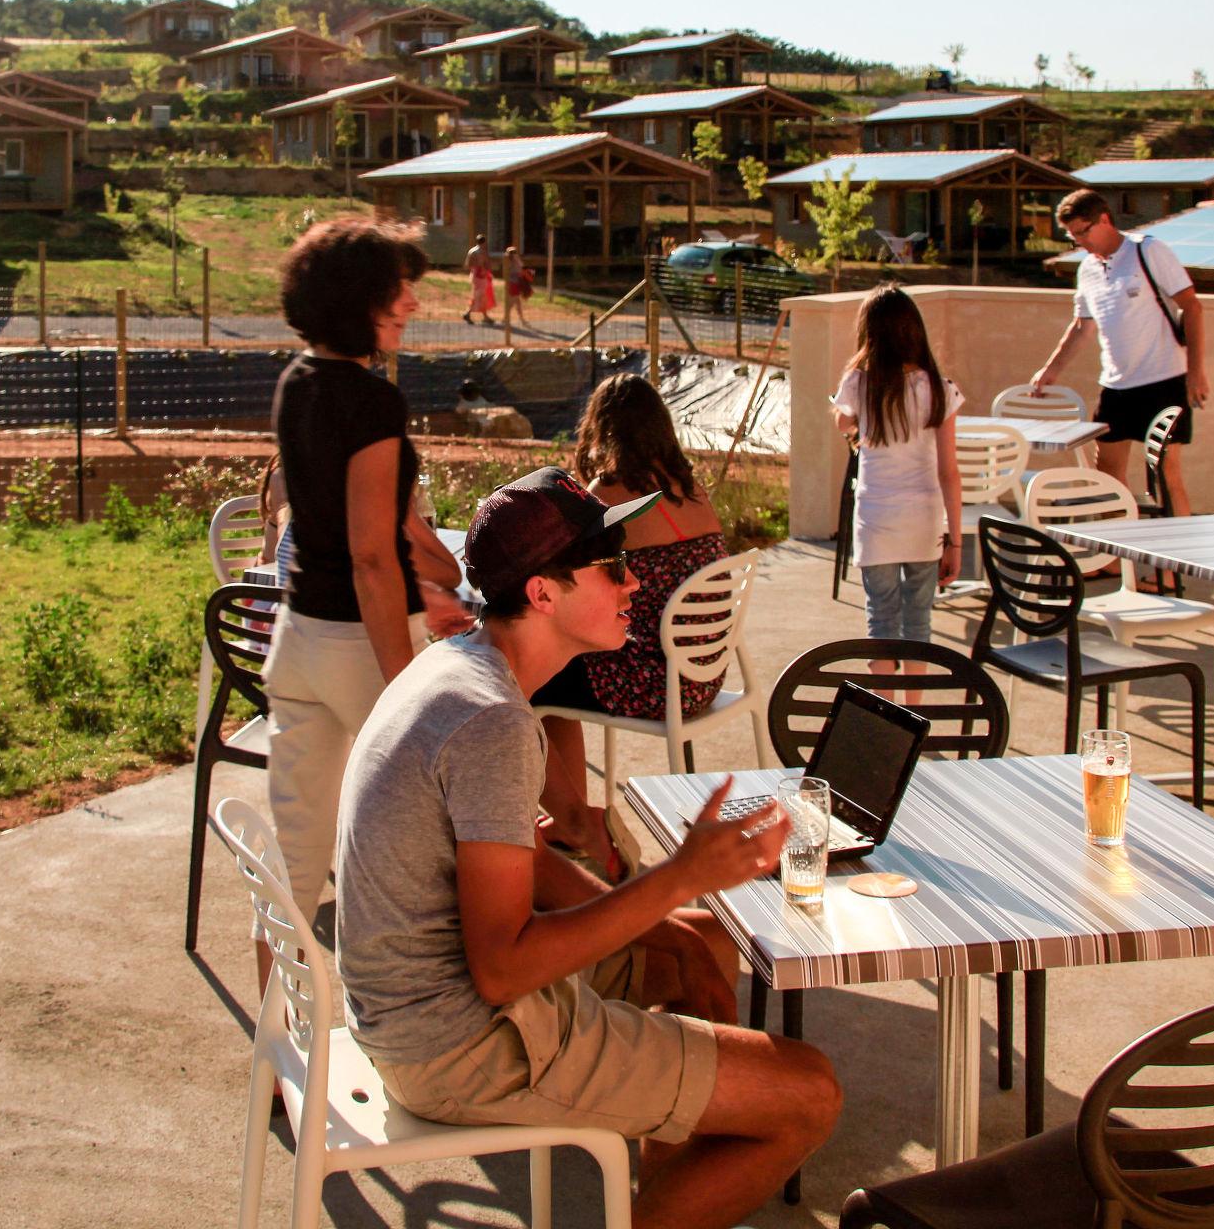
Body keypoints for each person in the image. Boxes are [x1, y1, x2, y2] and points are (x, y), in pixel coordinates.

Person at [334, 468, 842, 1229]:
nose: (636, 583)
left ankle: (667, 1161)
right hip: (457, 1046)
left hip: (411, 1013)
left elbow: (525, 865)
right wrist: (677, 879)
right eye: (612, 567)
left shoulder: (461, 669)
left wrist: (668, 919)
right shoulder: (492, 723)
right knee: (809, 1093)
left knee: (701, 945)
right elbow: (503, 969)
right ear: (543, 593)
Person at [260, 218, 467, 962]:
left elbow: (376, 533)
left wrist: (442, 579)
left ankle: (281, 1053)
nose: (411, 303)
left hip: (297, 644)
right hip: (360, 645)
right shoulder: (374, 404)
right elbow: (373, 558)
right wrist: (404, 687)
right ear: (360, 302)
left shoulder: (294, 383)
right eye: (397, 291)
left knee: (292, 863)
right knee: (427, 851)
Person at [533, 375, 727, 876]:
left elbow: (565, 576)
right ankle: (569, 815)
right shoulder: (690, 489)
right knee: (558, 676)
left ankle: (570, 820)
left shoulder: (610, 493)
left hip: (652, 682)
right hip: (701, 674)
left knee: (535, 677)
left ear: (602, 429)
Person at [1028, 189, 1208, 515]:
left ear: (1105, 220)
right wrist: (1051, 369)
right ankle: (1114, 561)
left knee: (1166, 475)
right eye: (1073, 236)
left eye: (1084, 231)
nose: (1081, 241)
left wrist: (1195, 373)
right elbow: (1083, 325)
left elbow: (1192, 308)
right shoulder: (1087, 269)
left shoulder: (1147, 251)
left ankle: (1176, 564)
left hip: (1164, 380)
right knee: (1107, 475)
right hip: (1116, 386)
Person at [831, 287, 964, 673]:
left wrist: (855, 417)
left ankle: (888, 723)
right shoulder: (939, 388)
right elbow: (949, 473)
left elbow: (842, 420)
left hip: (876, 518)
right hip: (923, 518)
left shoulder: (859, 382)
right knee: (918, 625)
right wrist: (954, 540)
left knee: (882, 622)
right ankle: (916, 717)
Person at [464, 233, 497, 325]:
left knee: (481, 296)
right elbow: (487, 264)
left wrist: (475, 269)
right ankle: (468, 312)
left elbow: (467, 265)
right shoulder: (482, 252)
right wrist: (484, 270)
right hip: (481, 276)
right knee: (479, 296)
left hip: (474, 274)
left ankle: (485, 316)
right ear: (484, 242)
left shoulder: (471, 251)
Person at [503, 243, 534, 326]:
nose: (515, 254)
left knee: (517, 303)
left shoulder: (515, 261)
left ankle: (522, 320)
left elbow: (522, 268)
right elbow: (521, 267)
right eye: (513, 253)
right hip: (513, 284)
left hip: (516, 283)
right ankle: (505, 318)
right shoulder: (511, 262)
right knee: (513, 302)